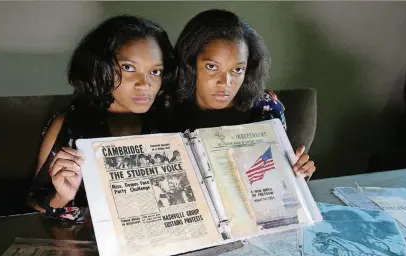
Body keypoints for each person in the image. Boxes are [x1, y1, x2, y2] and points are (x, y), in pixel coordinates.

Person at [27, 15, 176, 223]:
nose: (145, 84)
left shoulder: (169, 124)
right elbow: (34, 203)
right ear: (100, 68)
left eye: (155, 71)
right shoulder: (70, 124)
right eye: (128, 68)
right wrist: (61, 197)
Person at [172, 9, 315, 178]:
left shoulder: (265, 109)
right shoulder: (165, 105)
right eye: (212, 67)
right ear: (190, 63)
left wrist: (299, 171)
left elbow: (277, 178)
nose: (225, 82)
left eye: (237, 70)